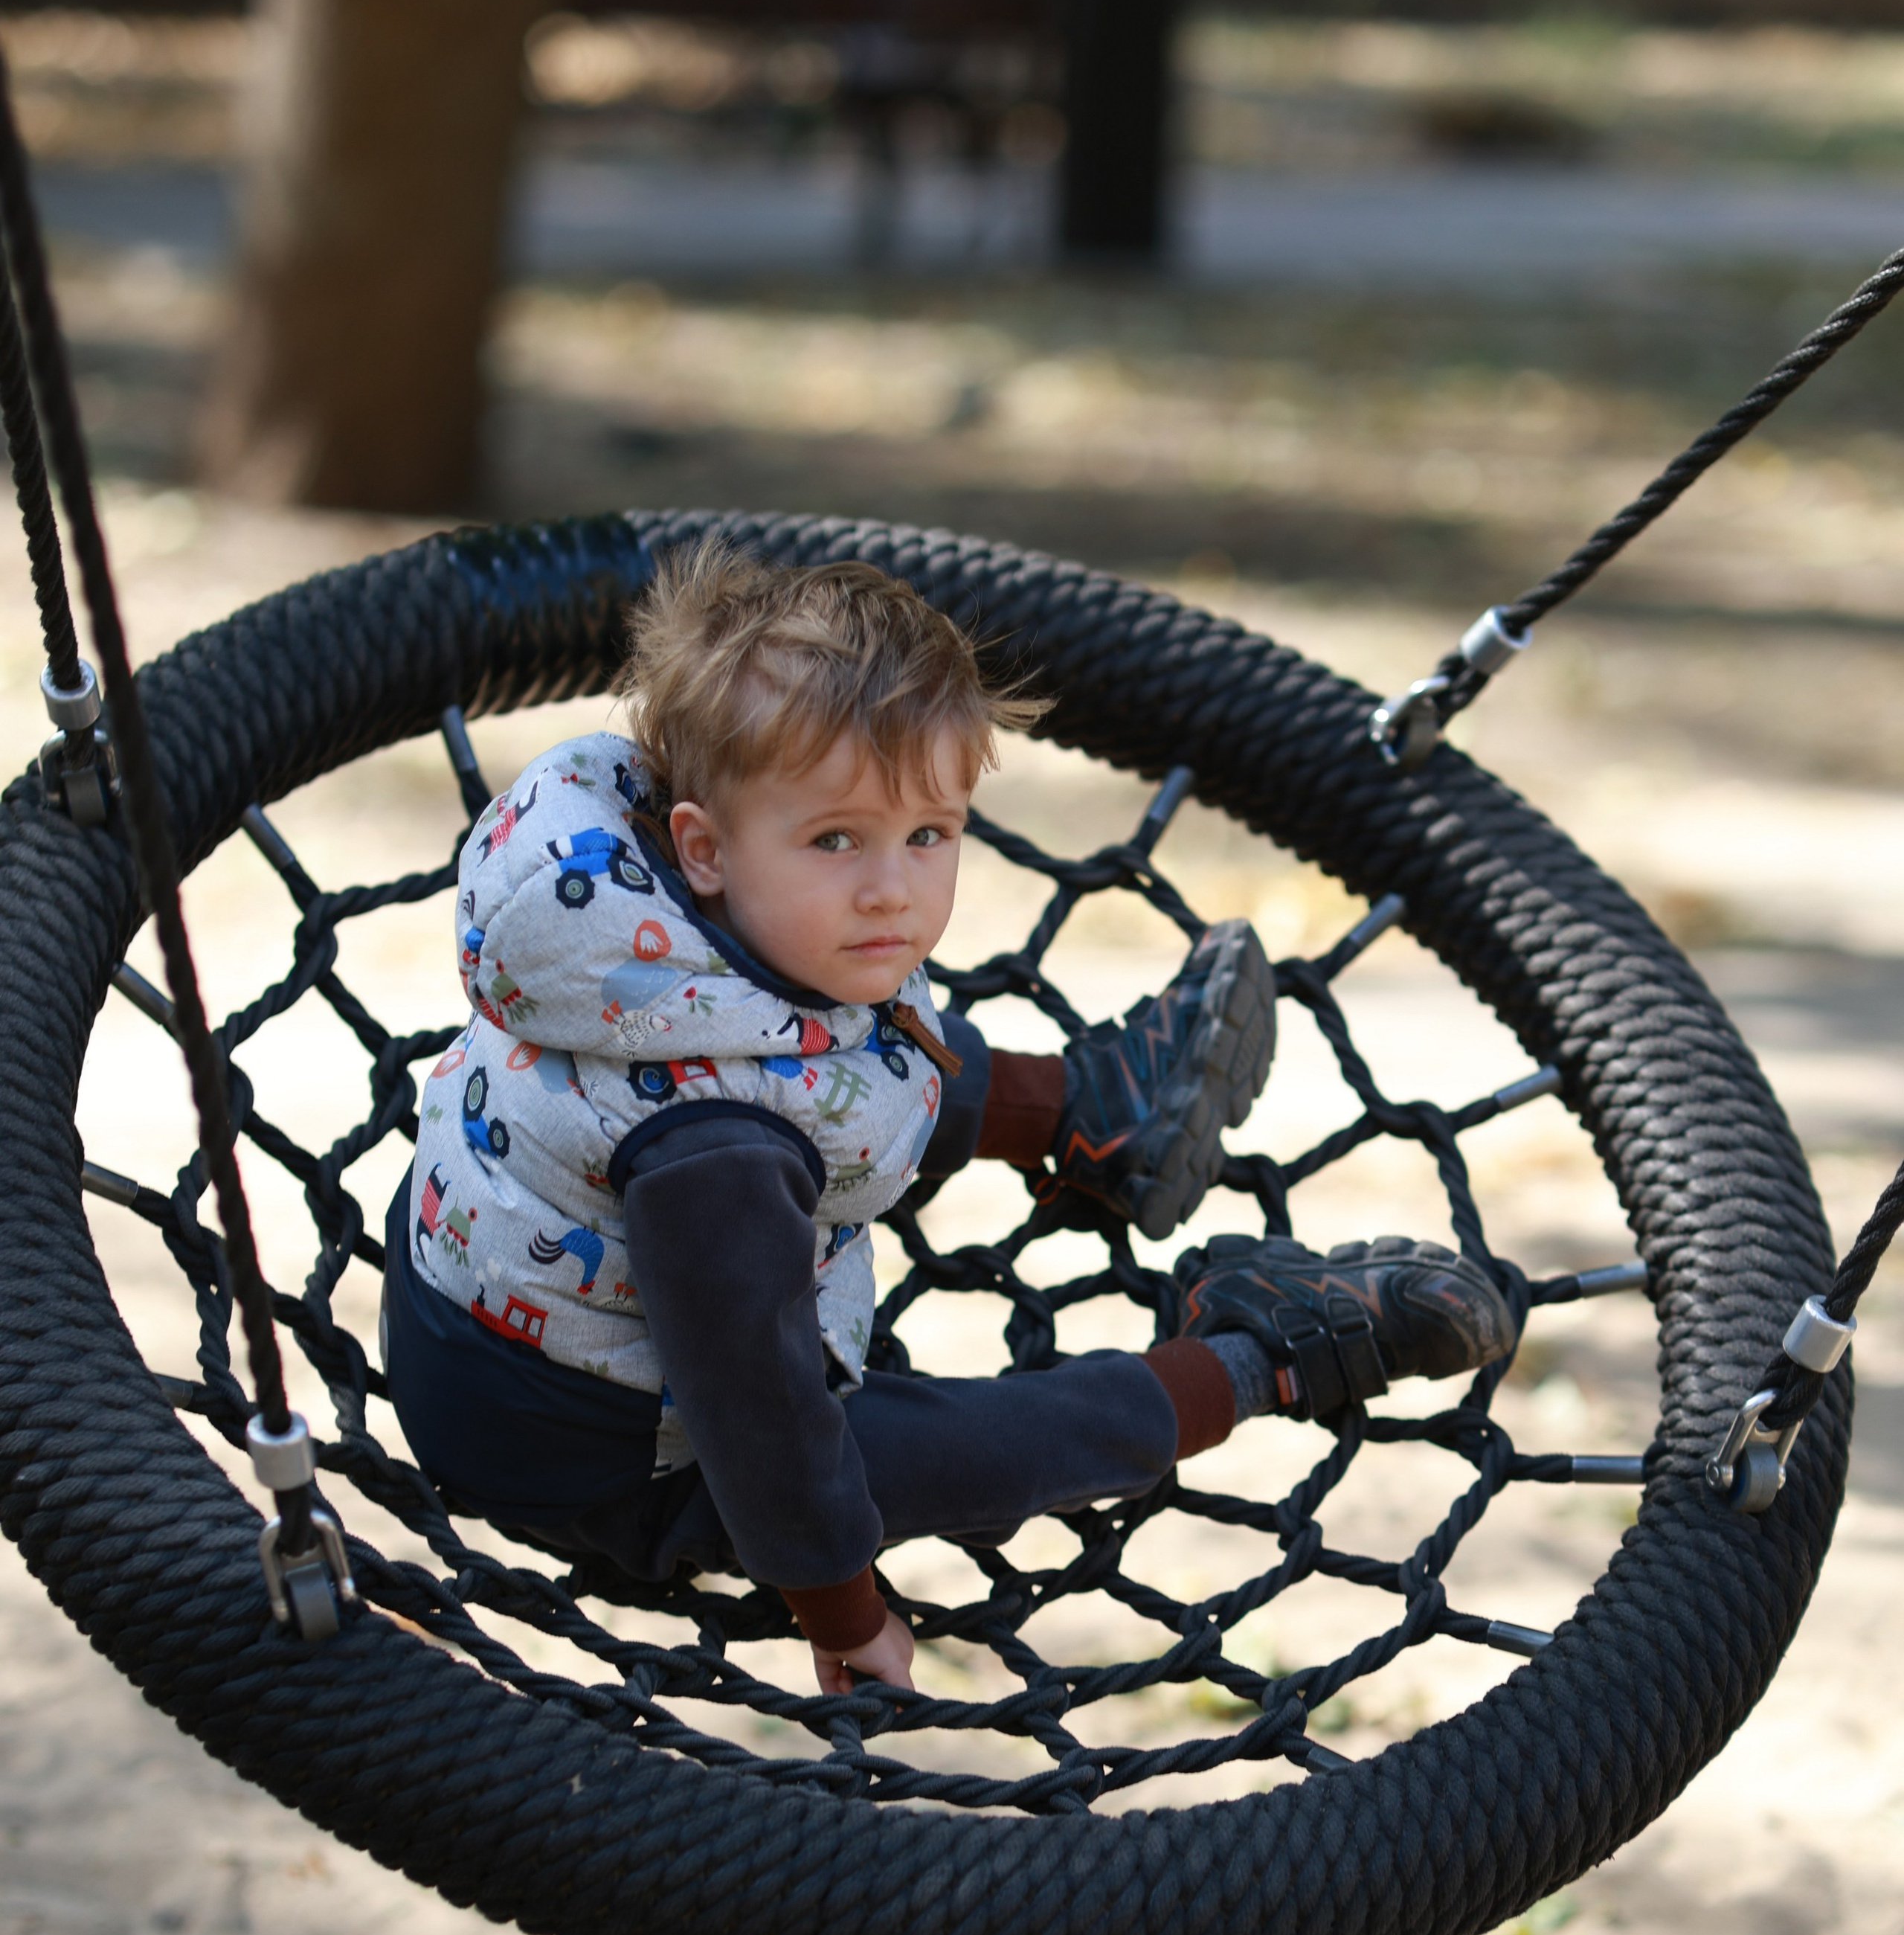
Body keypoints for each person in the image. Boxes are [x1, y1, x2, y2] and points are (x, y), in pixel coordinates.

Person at [385, 544, 1517, 1695]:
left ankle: (1100, 1119)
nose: (894, 887)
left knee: (850, 1029)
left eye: (929, 835)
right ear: (704, 846)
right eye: (836, 839)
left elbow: (829, 1058)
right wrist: (840, 1611)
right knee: (931, 1448)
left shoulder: (627, 908)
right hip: (595, 1454)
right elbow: (761, 1427)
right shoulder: (713, 1156)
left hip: (481, 1297)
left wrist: (839, 865)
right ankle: (1250, 1354)